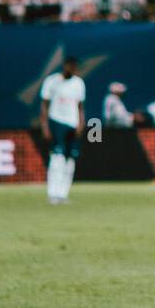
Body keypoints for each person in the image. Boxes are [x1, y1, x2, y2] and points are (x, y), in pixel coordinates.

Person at [40, 56, 86, 204]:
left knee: (70, 160)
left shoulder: (79, 83)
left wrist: (81, 123)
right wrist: (45, 125)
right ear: (64, 66)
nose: (72, 69)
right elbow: (45, 105)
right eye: (69, 66)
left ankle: (63, 193)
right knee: (57, 158)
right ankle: (53, 193)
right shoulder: (52, 81)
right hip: (56, 122)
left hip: (72, 123)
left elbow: (80, 106)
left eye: (74, 66)